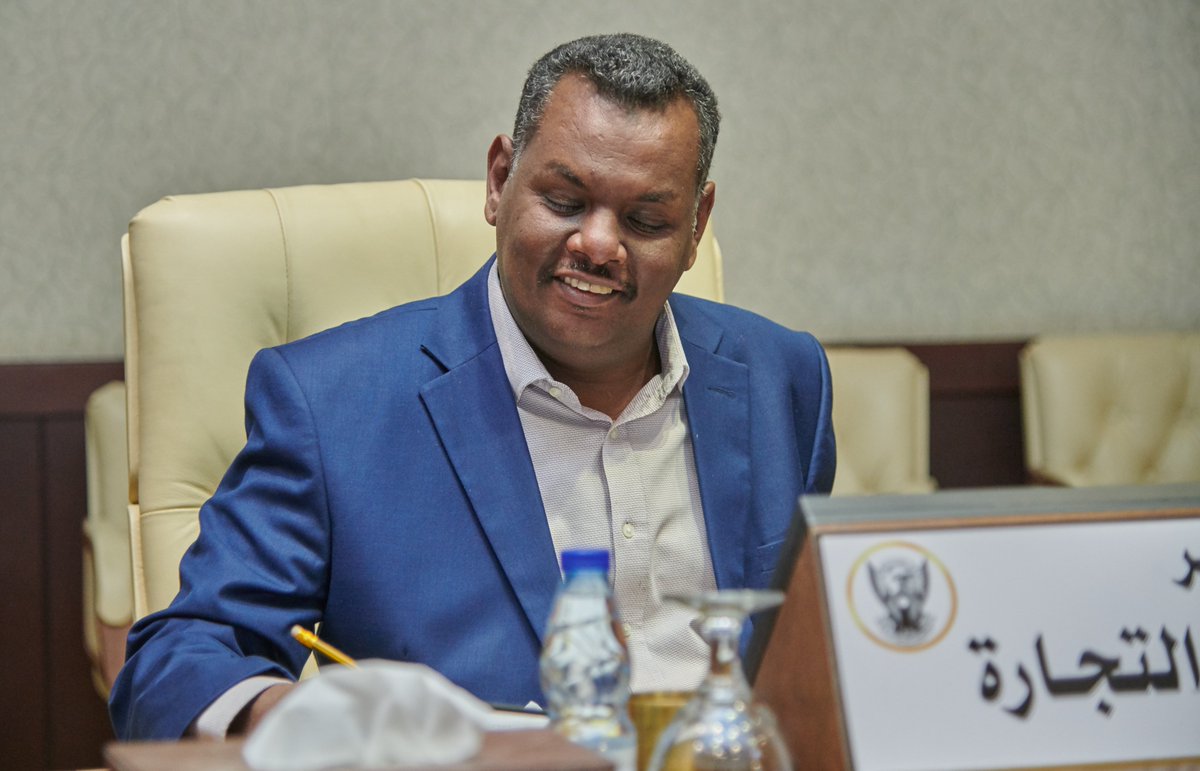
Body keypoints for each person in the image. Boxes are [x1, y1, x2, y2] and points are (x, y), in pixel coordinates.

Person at [110, 32, 835, 741]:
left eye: (646, 219)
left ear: (696, 225)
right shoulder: (330, 404)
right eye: (565, 200)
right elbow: (177, 660)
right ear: (499, 181)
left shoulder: (783, 379)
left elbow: (817, 655)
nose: (598, 244)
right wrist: (294, 717)